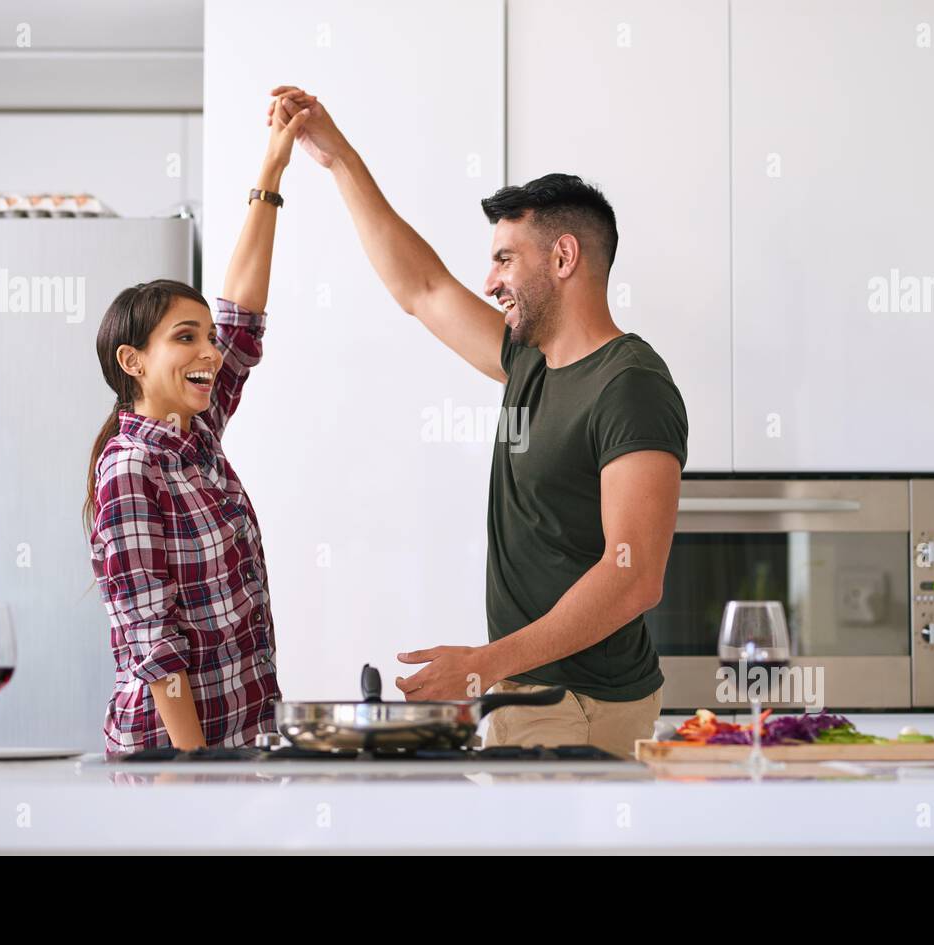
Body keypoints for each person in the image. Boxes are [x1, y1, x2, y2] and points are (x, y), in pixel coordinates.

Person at [270, 86, 688, 758]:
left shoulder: (629, 385)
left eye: (504, 258)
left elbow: (633, 573)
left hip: (580, 707)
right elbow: (423, 288)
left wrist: (483, 663)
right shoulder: (529, 361)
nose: (489, 279)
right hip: (533, 697)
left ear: (563, 259)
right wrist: (339, 158)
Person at [83, 94, 309, 754]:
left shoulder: (197, 435)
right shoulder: (129, 467)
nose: (211, 351)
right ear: (134, 361)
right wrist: (195, 771)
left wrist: (272, 170)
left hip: (239, 745)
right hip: (176, 760)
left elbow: (242, 314)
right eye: (187, 337)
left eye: (207, 337)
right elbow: (156, 644)